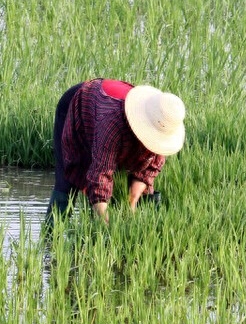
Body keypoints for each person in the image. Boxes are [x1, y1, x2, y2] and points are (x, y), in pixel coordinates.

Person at [46, 78, 186, 226]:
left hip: (103, 114)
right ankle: (50, 238)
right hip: (78, 105)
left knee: (135, 192)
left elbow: (150, 168)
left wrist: (132, 202)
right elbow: (101, 175)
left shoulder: (162, 122)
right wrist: (108, 226)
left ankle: (98, 230)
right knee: (67, 182)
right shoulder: (112, 124)